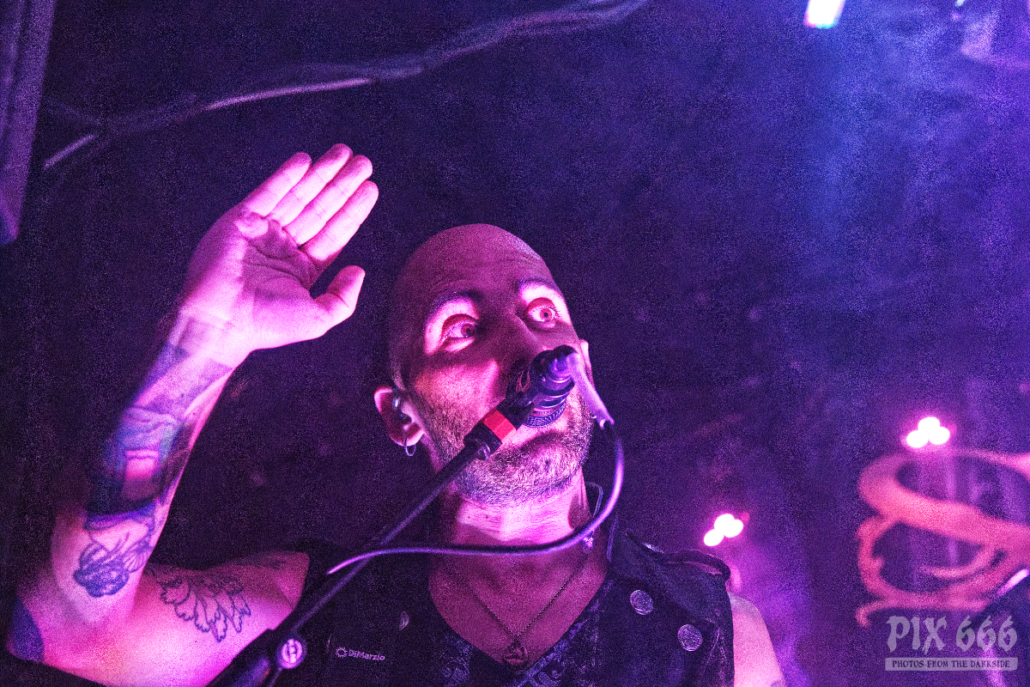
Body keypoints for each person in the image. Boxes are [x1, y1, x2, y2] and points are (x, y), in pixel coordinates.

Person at [6, 145, 784, 686]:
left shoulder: (712, 632)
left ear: (582, 363)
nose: (529, 350)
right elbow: (70, 628)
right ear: (401, 416)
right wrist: (203, 338)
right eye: (463, 328)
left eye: (544, 313)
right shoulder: (319, 611)